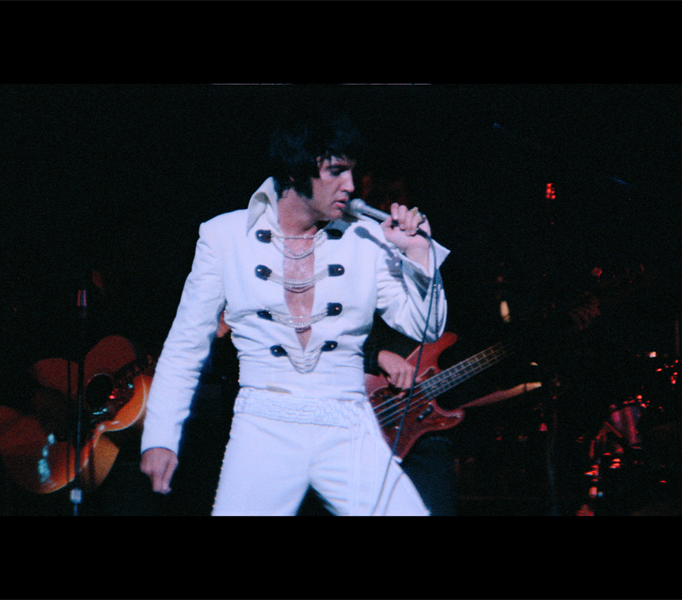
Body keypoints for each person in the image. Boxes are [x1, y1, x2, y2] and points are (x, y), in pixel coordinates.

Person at [139, 109, 449, 515]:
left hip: (348, 422)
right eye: (336, 171)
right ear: (294, 171)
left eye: (352, 172)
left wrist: (420, 256)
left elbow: (424, 326)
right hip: (263, 423)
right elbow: (185, 343)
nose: (350, 185)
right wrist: (160, 436)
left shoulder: (367, 238)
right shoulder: (224, 236)